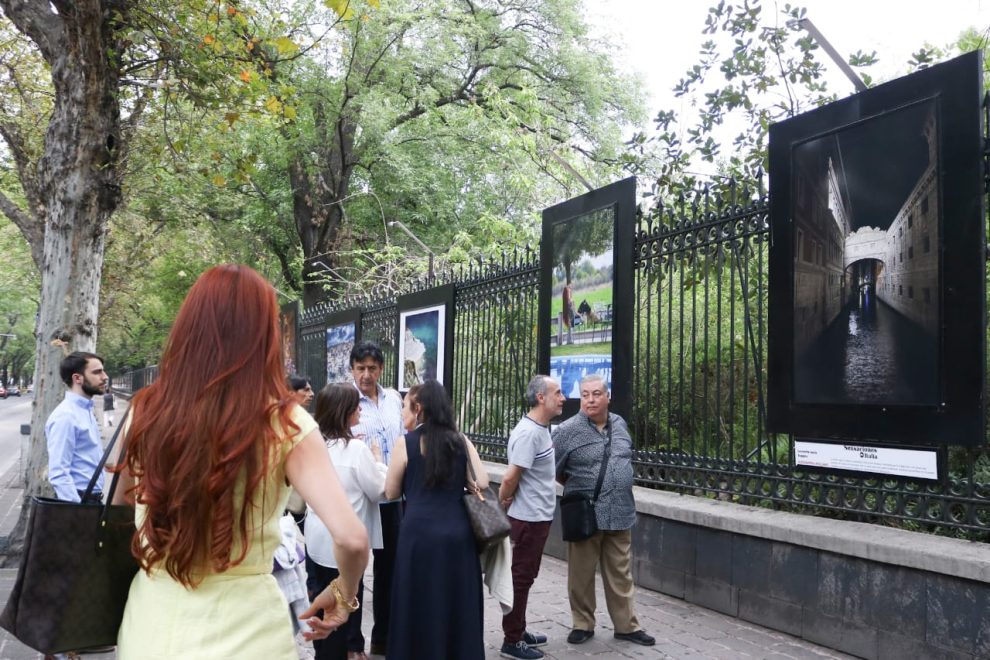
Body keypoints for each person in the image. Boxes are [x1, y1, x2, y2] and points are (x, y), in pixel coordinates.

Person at [111, 264, 370, 659]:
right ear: (264, 337)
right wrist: (343, 593)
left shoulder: (144, 411)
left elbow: (119, 509)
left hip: (151, 625)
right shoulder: (285, 423)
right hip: (246, 632)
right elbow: (352, 539)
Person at [384, 380, 488, 660]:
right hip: (457, 531)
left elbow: (391, 491)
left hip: (418, 533)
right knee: (456, 598)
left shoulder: (405, 443)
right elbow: (482, 481)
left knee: (416, 598)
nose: (404, 411)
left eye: (406, 406)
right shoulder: (460, 440)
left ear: (419, 408)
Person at [553, 374, 655, 647]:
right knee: (581, 574)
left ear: (607, 397)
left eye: (596, 393)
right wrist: (580, 489)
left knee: (621, 572)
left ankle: (626, 626)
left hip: (620, 510)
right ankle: (582, 623)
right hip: (586, 512)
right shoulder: (566, 431)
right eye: (585, 394)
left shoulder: (620, 424)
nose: (590, 399)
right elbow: (556, 471)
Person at [307, 383, 388, 660]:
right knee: (343, 606)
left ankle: (326, 650)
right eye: (356, 407)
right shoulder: (356, 450)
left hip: (317, 539)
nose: (360, 412)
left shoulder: (314, 446)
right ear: (344, 412)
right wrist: (378, 459)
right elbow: (379, 490)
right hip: (345, 545)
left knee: (322, 599)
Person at [497, 375, 565, 659]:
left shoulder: (540, 429)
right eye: (557, 393)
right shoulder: (529, 433)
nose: (562, 398)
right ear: (541, 397)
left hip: (538, 516)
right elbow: (511, 476)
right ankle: (512, 641)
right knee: (520, 578)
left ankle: (519, 628)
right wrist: (503, 499)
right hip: (527, 518)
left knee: (527, 575)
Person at [349, 341, 403, 656]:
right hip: (359, 499)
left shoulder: (394, 399)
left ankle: (382, 637)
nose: (366, 375)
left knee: (389, 571)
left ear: (380, 369)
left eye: (372, 368)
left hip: (391, 498)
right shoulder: (345, 400)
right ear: (352, 370)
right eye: (361, 369)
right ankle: (353, 644)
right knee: (354, 569)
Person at [46, 351, 109, 503]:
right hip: (78, 501)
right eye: (97, 372)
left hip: (91, 499)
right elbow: (58, 473)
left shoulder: (85, 410)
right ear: (77, 378)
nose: (105, 376)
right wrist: (77, 512)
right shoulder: (66, 416)